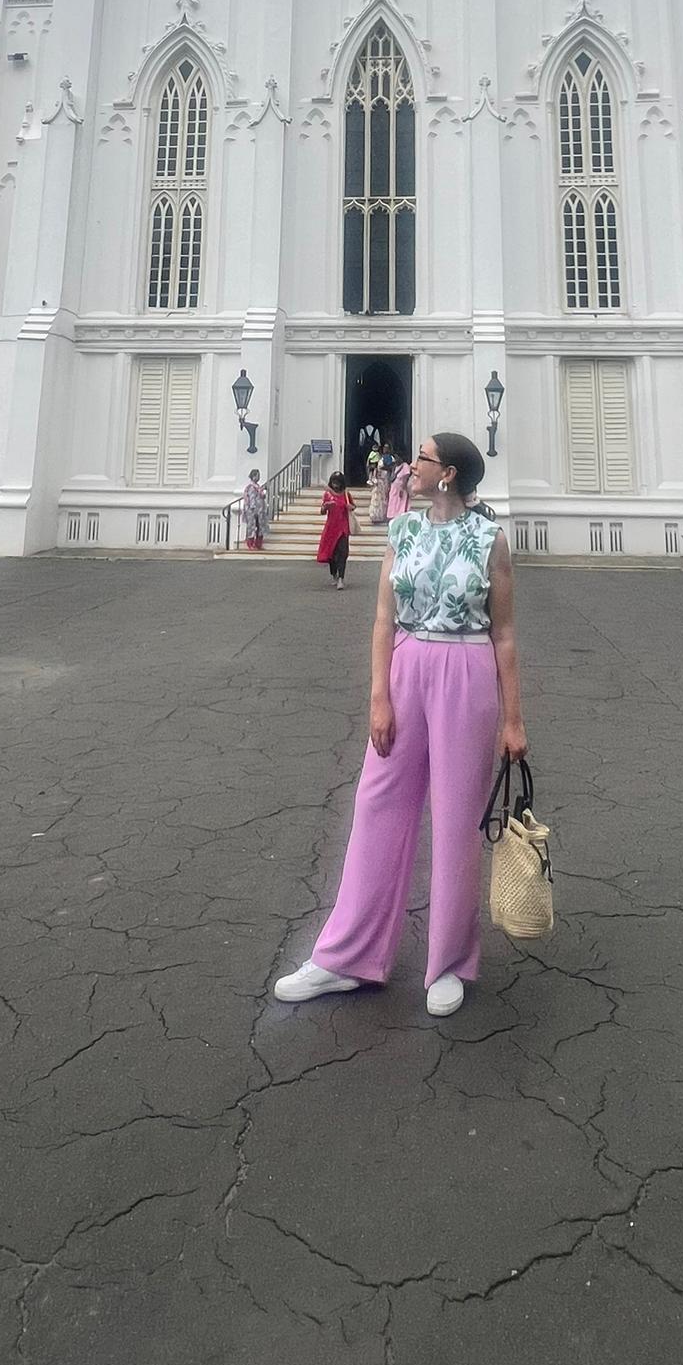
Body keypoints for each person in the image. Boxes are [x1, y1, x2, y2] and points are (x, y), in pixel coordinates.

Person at [274, 431, 527, 1020]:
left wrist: (513, 720)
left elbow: (506, 635)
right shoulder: (401, 531)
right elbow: (384, 620)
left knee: (457, 817)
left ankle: (448, 962)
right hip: (408, 666)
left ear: (449, 475)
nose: (409, 466)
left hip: (467, 672)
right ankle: (347, 955)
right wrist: (378, 697)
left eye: (422, 458)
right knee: (376, 804)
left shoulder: (490, 540)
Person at [317, 472, 353, 589]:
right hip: (331, 528)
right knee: (331, 554)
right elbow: (322, 511)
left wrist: (350, 508)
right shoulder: (327, 494)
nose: (335, 485)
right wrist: (326, 506)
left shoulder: (346, 494)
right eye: (333, 483)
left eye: (337, 483)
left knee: (342, 553)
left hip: (343, 527)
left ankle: (341, 578)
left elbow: (353, 506)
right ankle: (334, 575)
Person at [239, 469, 270, 551]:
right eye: (257, 475)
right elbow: (252, 498)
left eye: (259, 475)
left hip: (260, 511)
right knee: (252, 527)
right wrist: (253, 509)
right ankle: (251, 544)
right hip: (253, 511)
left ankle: (258, 544)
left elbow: (260, 495)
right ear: (253, 476)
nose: (258, 477)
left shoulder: (257, 486)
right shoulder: (251, 487)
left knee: (260, 527)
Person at [370, 443, 398, 528]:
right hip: (379, 479)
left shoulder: (391, 458)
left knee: (385, 497)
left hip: (386, 479)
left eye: (387, 448)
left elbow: (391, 467)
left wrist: (384, 467)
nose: (385, 450)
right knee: (378, 497)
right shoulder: (380, 457)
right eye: (384, 448)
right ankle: (377, 516)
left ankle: (385, 514)